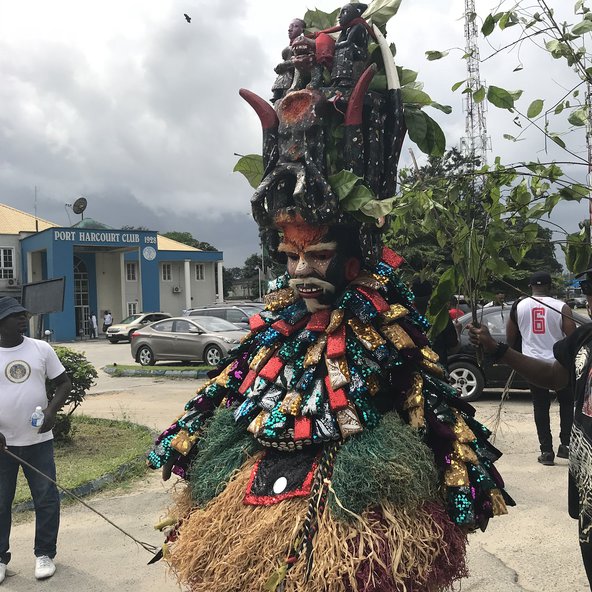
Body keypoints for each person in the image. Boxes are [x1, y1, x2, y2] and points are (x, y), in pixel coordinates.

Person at [468, 267, 592, 588]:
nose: (590, 302)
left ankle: (548, 449)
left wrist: (512, 346)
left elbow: (514, 334)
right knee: (564, 408)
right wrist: (499, 352)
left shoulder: (521, 307)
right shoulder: (583, 337)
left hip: (536, 353)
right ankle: (559, 446)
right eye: (590, 293)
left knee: (541, 412)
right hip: (589, 497)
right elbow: (554, 375)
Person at [0, 296, 72, 584]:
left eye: (23, 314)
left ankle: (44, 554)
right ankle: (0, 557)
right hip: (4, 446)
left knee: (45, 499)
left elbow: (64, 383)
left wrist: (52, 412)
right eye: (14, 315)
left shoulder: (41, 349)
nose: (22, 318)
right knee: (1, 502)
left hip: (38, 441)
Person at [506, 271, 576, 465]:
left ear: (531, 286)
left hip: (533, 364)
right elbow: (572, 338)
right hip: (559, 363)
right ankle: (566, 445)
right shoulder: (562, 307)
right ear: (550, 286)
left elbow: (510, 338)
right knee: (567, 403)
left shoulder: (519, 306)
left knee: (540, 405)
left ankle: (546, 451)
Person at [412, 278, 459, 370]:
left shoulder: (405, 317)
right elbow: (454, 348)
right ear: (432, 296)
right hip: (438, 372)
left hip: (414, 374)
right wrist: (458, 331)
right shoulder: (441, 316)